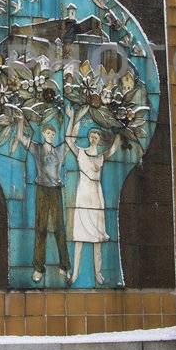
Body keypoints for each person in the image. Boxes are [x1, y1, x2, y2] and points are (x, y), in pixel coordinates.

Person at [65, 111, 121, 287]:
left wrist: (121, 127)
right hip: (83, 195)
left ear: (99, 138)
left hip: (97, 195)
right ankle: (75, 273)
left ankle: (98, 273)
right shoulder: (81, 153)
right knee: (80, 237)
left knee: (97, 236)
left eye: (96, 135)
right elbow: (68, 139)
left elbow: (114, 147)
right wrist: (73, 118)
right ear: (89, 138)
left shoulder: (101, 156)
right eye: (91, 135)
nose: (93, 137)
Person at [17, 122, 71, 284]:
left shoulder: (58, 151)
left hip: (55, 191)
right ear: (43, 134)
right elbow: (20, 137)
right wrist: (20, 121)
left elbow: (69, 140)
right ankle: (38, 268)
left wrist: (72, 117)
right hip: (42, 189)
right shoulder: (37, 148)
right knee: (40, 229)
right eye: (48, 133)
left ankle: (65, 265)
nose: (50, 136)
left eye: (52, 134)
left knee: (59, 229)